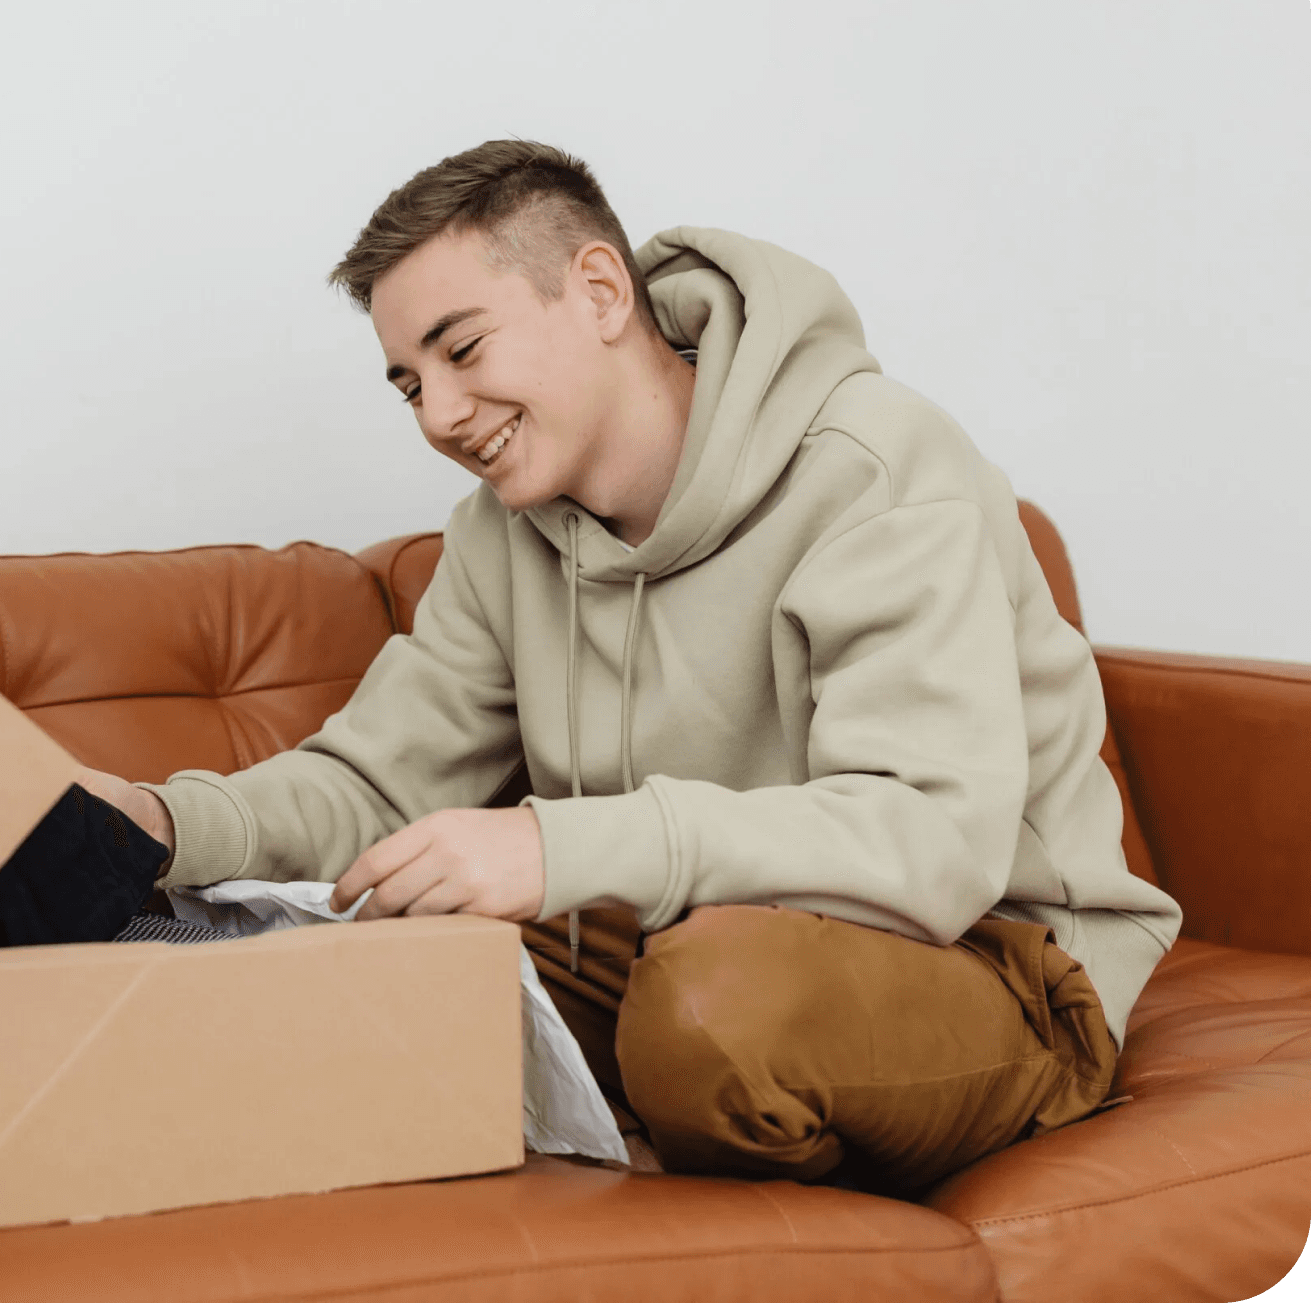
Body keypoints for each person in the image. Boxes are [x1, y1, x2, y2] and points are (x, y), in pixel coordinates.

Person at [76, 139, 1181, 1192]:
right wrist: (160, 823)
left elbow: (929, 842)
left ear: (601, 292)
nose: (443, 415)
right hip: (674, 951)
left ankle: (686, 1119)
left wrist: (554, 844)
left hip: (997, 966)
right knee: (353, 965)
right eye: (409, 384)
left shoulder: (873, 466)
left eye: (462, 350)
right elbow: (374, 785)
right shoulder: (501, 534)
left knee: (709, 1013)